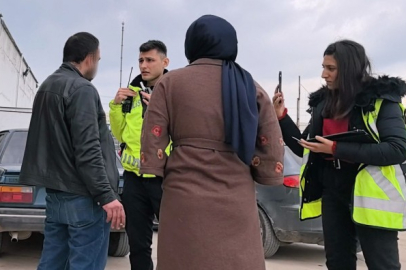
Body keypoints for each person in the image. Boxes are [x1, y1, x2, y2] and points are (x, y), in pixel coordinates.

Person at [139, 15, 284, 270]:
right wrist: (265, 169)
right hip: (235, 194)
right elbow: (270, 139)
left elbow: (154, 134)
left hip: (184, 195)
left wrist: (154, 166)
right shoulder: (249, 85)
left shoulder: (170, 83)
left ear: (191, 45)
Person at [274, 39, 406, 270]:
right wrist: (282, 118)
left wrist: (336, 149)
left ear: (350, 69)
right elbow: (305, 148)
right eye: (323, 67)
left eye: (331, 68)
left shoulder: (381, 101)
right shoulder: (322, 104)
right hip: (333, 191)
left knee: (382, 265)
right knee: (338, 263)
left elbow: (397, 149)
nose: (324, 74)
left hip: (370, 193)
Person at [20, 32, 125, 270]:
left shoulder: (47, 85)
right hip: (84, 197)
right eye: (98, 59)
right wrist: (106, 196)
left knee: (52, 262)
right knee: (85, 264)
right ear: (89, 58)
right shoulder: (82, 89)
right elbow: (88, 149)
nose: (97, 65)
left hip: (56, 194)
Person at [109, 40, 170, 270]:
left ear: (165, 62)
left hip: (166, 179)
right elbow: (119, 133)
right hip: (134, 179)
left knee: (175, 238)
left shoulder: (175, 91)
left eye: (150, 60)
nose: (144, 65)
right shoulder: (132, 93)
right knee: (138, 243)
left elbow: (184, 130)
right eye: (141, 61)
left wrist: (159, 108)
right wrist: (116, 106)